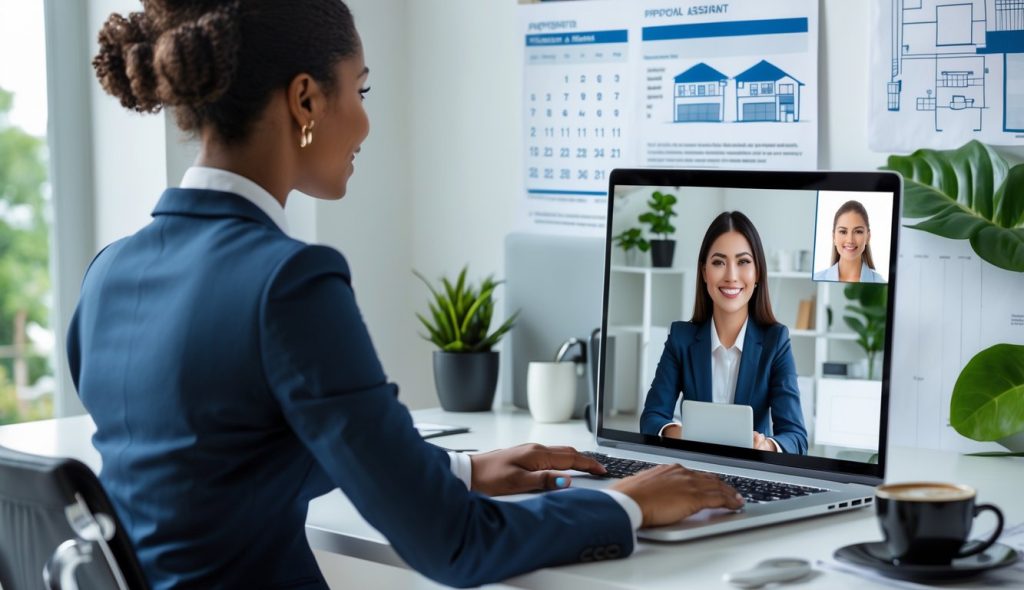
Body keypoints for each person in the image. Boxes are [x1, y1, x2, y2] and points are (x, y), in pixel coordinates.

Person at [67, 2, 744, 588]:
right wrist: (625, 503)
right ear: (305, 99)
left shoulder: (109, 274)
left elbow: (225, 467)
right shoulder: (287, 282)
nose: (364, 123)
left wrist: (459, 469)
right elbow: (455, 546)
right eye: (360, 90)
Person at [639, 212, 808, 455]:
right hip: (693, 470)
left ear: (757, 272)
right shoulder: (681, 338)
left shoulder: (775, 342)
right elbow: (652, 417)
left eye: (743, 262)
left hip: (751, 473)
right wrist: (682, 434)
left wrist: (766, 445)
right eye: (719, 262)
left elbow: (796, 438)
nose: (731, 276)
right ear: (705, 272)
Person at [813, 200, 885, 283]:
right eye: (843, 232)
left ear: (868, 237)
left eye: (858, 231)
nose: (850, 240)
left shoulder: (881, 283)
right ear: (834, 237)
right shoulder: (817, 279)